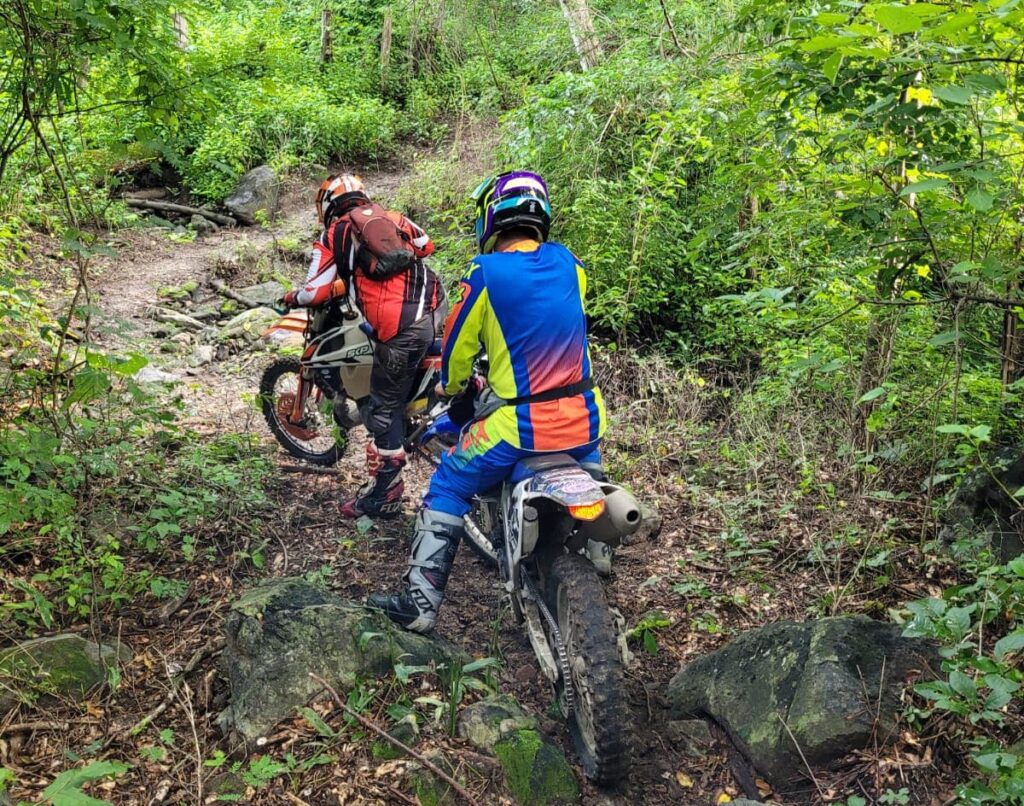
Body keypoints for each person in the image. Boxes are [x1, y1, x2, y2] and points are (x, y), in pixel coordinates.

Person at [368, 170, 607, 632]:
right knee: (595, 477)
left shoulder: (484, 274)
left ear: (490, 219)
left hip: (518, 426)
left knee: (448, 485)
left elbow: (457, 349)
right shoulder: (572, 264)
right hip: (585, 421)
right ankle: (598, 557)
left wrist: (448, 388)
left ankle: (418, 606)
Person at [282, 174, 444, 519]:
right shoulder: (392, 217)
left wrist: (292, 296)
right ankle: (410, 419)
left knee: (381, 409)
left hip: (401, 327)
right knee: (397, 373)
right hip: (433, 306)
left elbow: (313, 292)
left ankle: (385, 496)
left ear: (326, 206)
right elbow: (426, 245)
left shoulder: (333, 234)